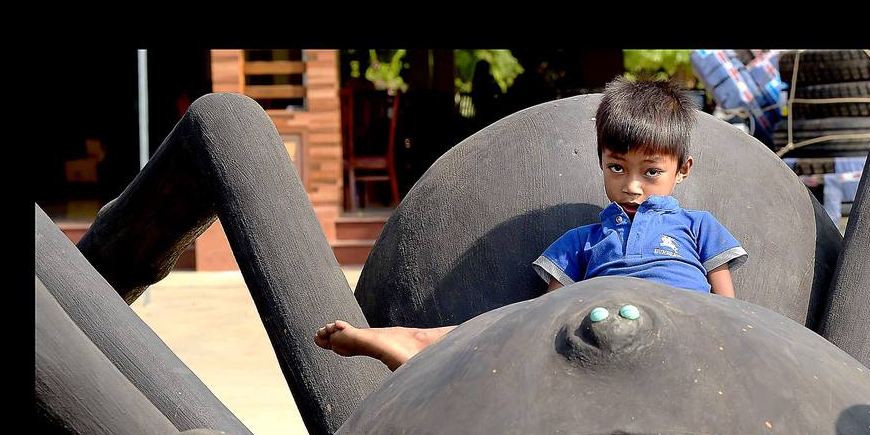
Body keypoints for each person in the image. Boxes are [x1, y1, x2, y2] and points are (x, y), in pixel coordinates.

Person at [315, 76, 747, 371]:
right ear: (601, 162)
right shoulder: (583, 240)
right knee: (508, 324)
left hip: (682, 321)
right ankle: (421, 342)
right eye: (617, 168)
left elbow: (732, 309)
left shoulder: (698, 226)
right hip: (596, 325)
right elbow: (545, 311)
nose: (632, 186)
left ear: (682, 169)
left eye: (651, 172)